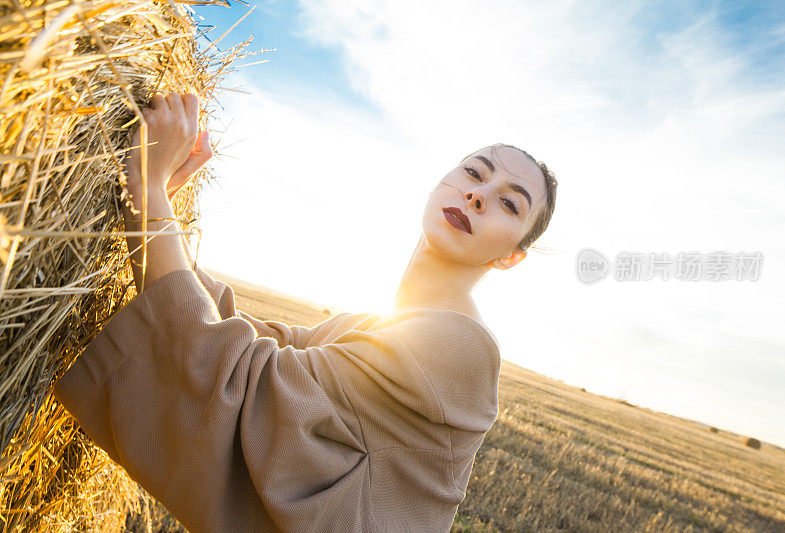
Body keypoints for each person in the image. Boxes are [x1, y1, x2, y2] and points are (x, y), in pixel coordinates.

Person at [54, 92, 557, 532]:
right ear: (438, 182)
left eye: (509, 205)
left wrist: (150, 188)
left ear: (509, 257)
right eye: (473, 173)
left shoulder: (461, 346)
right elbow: (232, 330)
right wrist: (161, 201)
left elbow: (237, 381)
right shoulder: (366, 328)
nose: (476, 195)